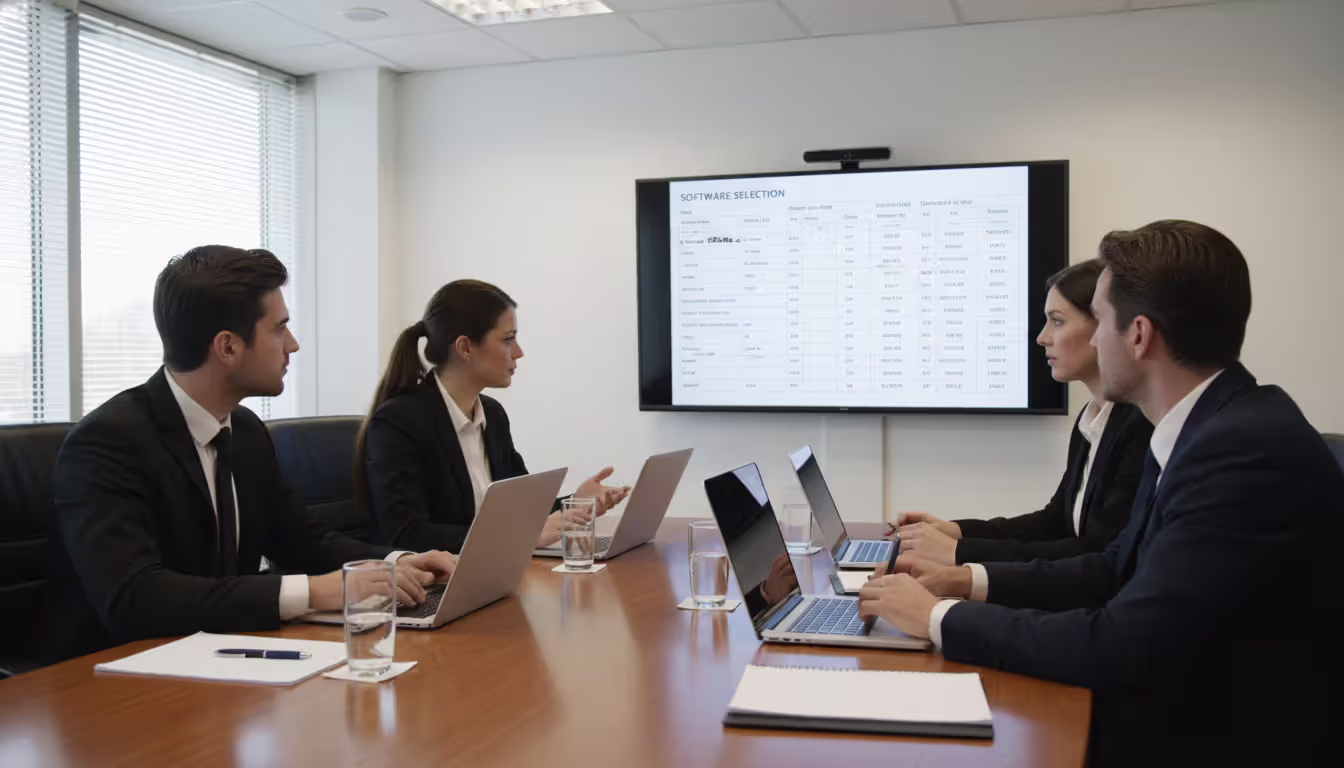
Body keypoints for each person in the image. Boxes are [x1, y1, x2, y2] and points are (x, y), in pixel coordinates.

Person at [858, 221, 1339, 767]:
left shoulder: (1240, 451)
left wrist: (937, 617)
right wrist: (962, 584)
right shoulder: (1205, 427)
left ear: (1138, 335)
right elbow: (1116, 567)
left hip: (1216, 735)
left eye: (1099, 323)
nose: (1090, 341)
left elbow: (1125, 645)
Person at [42, 246, 458, 663]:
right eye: (280, 329)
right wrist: (321, 590)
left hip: (217, 661)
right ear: (227, 348)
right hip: (113, 680)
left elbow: (303, 541)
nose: (292, 345)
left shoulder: (243, 431)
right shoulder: (106, 443)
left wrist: (396, 562)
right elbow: (135, 597)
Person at [891, 260, 1152, 565]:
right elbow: (1055, 522)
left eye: (1057, 321)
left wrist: (959, 555)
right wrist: (955, 532)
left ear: (1103, 326)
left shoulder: (1139, 425)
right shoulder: (1093, 417)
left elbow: (1097, 554)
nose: (1042, 337)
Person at [357, 280, 629, 554]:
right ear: (465, 348)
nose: (519, 353)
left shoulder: (493, 414)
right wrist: (517, 537)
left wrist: (576, 503)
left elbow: (522, 509)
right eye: (508, 339)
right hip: (430, 586)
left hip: (488, 575)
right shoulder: (398, 422)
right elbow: (407, 535)